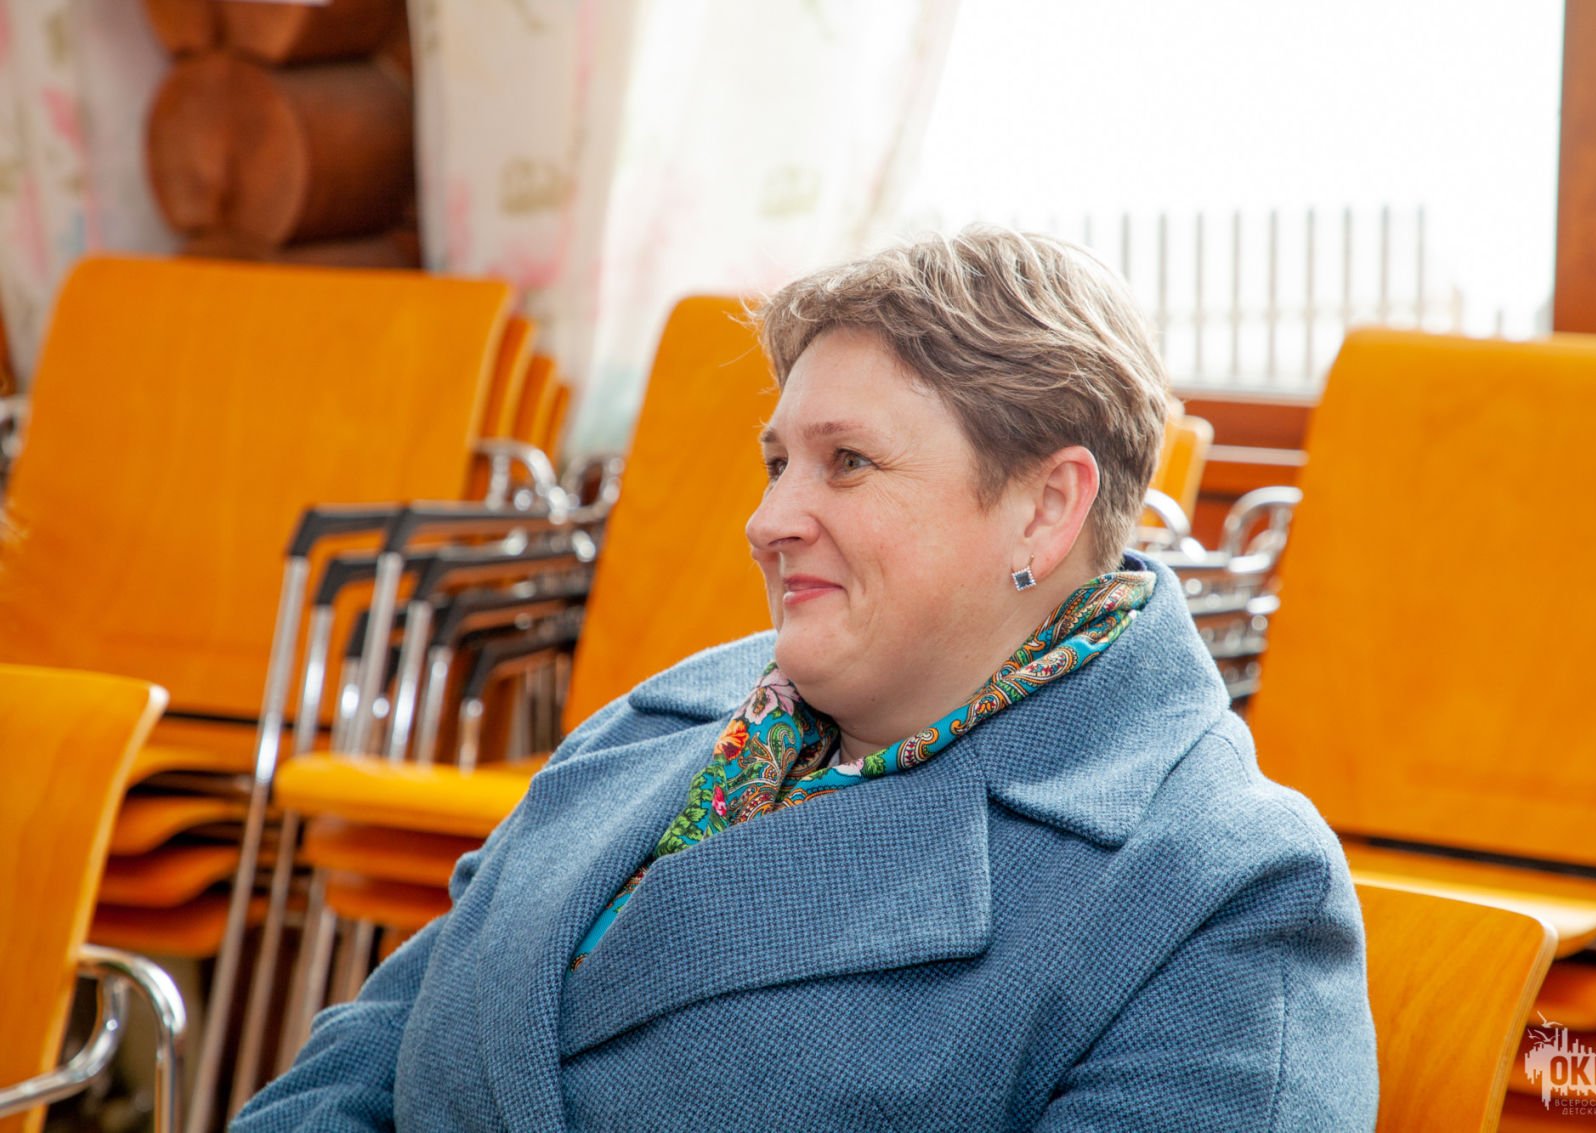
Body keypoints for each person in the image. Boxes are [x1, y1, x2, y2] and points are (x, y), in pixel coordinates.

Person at [235, 227, 1377, 1131]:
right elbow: (367, 1056)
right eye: (777, 461)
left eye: (848, 461)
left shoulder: (1220, 891)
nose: (768, 519)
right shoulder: (670, 715)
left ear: (1044, 505)